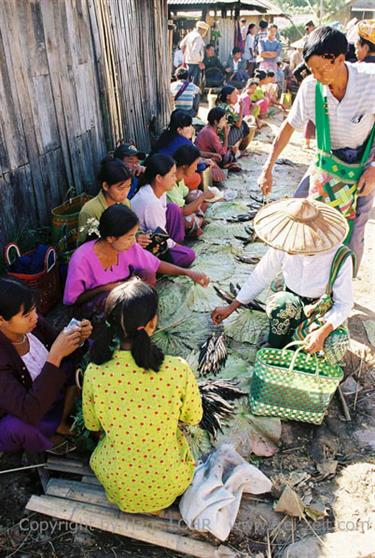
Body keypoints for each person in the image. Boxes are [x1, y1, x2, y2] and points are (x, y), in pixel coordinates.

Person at [258, 27, 375, 270]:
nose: (316, 75)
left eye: (321, 69)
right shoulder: (311, 87)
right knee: (300, 208)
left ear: (340, 59)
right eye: (311, 70)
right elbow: (288, 127)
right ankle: (299, 273)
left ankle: (341, 285)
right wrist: (267, 167)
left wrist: (373, 168)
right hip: (326, 158)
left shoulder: (370, 80)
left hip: (364, 159)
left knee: (354, 225)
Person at [82, 279, 203, 513]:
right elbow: (194, 417)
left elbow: (92, 425)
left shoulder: (95, 372)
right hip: (168, 484)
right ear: (153, 323)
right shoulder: (176, 369)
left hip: (116, 483)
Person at [212, 198, 354, 364]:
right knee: (282, 304)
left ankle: (304, 346)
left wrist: (323, 331)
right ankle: (277, 344)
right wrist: (231, 306)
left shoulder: (340, 257)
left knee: (333, 344)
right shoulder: (286, 244)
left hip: (322, 311)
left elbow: (344, 304)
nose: (293, 250)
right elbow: (261, 275)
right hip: (291, 306)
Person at [64, 205, 209, 319]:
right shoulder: (81, 259)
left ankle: (137, 315)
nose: (134, 241)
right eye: (129, 236)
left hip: (123, 290)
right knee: (110, 300)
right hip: (97, 305)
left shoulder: (128, 247)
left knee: (148, 273)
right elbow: (73, 300)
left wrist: (188, 273)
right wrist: (106, 288)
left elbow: (156, 264)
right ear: (110, 238)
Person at [0, 277, 92, 454]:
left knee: (84, 356)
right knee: (18, 428)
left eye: (34, 310)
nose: (35, 317)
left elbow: (67, 351)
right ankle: (51, 438)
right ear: (1, 320)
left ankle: (62, 422)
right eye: (26, 315)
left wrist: (79, 339)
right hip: (29, 411)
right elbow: (29, 411)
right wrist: (55, 356)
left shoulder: (33, 324)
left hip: (50, 395)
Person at [131, 155, 200, 266]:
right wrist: (177, 247)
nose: (175, 178)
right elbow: (159, 236)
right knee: (189, 255)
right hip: (144, 243)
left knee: (173, 209)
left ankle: (177, 247)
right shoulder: (151, 202)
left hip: (156, 233)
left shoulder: (159, 190)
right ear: (159, 178)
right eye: (172, 175)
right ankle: (165, 263)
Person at [77, 157, 149, 249]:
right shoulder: (90, 211)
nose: (125, 192)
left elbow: (134, 229)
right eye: (121, 188)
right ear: (106, 186)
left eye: (128, 187)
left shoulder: (125, 202)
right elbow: (86, 246)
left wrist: (138, 236)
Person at [168, 145, 215, 237]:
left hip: (180, 209)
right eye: (195, 165)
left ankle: (199, 220)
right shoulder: (170, 183)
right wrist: (202, 198)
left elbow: (187, 194)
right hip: (171, 219)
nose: (196, 168)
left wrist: (201, 198)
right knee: (189, 220)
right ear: (185, 166)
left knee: (198, 195)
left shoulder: (179, 178)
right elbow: (183, 211)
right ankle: (195, 226)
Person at [216, 85, 251, 152]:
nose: (237, 97)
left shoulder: (220, 105)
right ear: (228, 97)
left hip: (217, 138)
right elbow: (238, 124)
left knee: (242, 124)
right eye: (235, 95)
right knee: (243, 126)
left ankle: (236, 146)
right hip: (223, 140)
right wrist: (241, 108)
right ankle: (235, 147)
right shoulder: (228, 108)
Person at [180, 21, 210, 86]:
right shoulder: (198, 37)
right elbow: (195, 51)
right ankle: (194, 96)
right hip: (195, 64)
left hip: (188, 62)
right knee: (194, 85)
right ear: (202, 29)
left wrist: (187, 54)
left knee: (187, 83)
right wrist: (200, 62)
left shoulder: (190, 34)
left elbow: (181, 45)